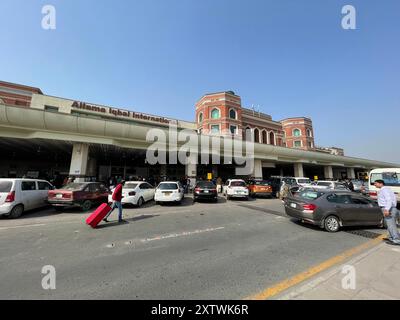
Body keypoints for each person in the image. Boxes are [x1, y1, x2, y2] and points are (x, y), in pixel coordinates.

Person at [375, 179, 400, 245]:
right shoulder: (387, 189)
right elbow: (393, 199)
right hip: (390, 208)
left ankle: (396, 240)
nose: (374, 184)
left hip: (388, 208)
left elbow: (389, 200)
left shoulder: (384, 190)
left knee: (391, 225)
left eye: (376, 183)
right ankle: (390, 237)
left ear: (381, 184)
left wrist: (387, 209)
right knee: (390, 224)